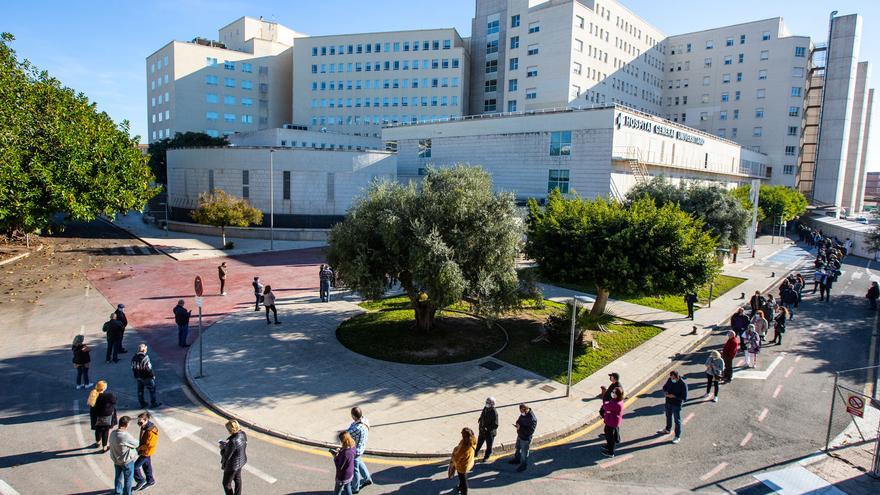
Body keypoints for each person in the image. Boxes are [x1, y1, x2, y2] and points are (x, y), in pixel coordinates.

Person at [110, 415, 139, 495]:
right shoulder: (125, 436)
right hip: (126, 461)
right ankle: (127, 493)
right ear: (126, 424)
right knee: (128, 480)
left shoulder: (113, 433)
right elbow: (136, 444)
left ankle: (118, 492)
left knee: (118, 477)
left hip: (116, 460)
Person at [347, 407, 373, 492]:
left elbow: (347, 435)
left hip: (355, 450)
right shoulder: (365, 420)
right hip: (361, 447)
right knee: (360, 462)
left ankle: (355, 488)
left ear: (354, 416)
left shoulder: (357, 428)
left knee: (355, 470)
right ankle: (367, 478)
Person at [658, 370, 688, 444]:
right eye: (671, 378)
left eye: (673, 378)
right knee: (668, 416)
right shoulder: (670, 380)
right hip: (668, 402)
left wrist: (674, 396)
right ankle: (667, 429)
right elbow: (664, 387)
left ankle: (677, 436)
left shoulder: (683, 384)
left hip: (676, 404)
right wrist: (665, 392)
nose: (672, 379)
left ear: (677, 377)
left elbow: (684, 397)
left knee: (677, 420)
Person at [220, 420, 247, 495]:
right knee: (237, 478)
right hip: (241, 461)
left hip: (232, 466)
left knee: (226, 484)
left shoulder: (233, 441)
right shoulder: (243, 433)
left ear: (230, 429)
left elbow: (226, 456)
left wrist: (222, 449)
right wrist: (227, 445)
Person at [88, 380, 117, 452]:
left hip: (96, 417)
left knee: (98, 430)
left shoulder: (93, 395)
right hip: (106, 417)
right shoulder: (109, 396)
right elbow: (114, 401)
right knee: (105, 431)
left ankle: (97, 443)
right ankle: (105, 447)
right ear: (103, 388)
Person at [133, 412, 159, 491]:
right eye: (138, 422)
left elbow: (149, 444)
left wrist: (139, 448)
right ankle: (150, 481)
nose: (139, 424)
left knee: (135, 467)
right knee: (147, 466)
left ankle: (141, 480)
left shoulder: (150, 431)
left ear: (146, 420)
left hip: (146, 452)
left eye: (140, 422)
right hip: (146, 451)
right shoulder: (145, 426)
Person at [509, 403, 537, 472]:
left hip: (525, 439)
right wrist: (517, 423)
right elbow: (519, 420)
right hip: (520, 435)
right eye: (520, 411)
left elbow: (530, 431)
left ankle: (523, 465)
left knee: (524, 453)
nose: (521, 413)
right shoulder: (523, 414)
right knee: (517, 448)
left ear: (526, 409)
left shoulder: (532, 419)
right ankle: (517, 459)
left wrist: (520, 427)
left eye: (522, 411)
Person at [131, 344, 160, 408]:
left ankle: (142, 403)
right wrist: (152, 375)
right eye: (146, 349)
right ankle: (153, 403)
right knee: (152, 390)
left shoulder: (134, 358)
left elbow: (133, 368)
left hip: (138, 377)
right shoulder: (145, 358)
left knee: (140, 390)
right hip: (147, 377)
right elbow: (149, 369)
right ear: (144, 350)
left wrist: (136, 376)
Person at [449, 427, 476, 494]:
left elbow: (456, 459)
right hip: (469, 462)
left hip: (462, 467)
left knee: (463, 480)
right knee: (463, 478)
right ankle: (461, 487)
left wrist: (452, 463)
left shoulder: (463, 449)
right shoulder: (473, 440)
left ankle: (464, 492)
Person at [331, 431, 356, 495]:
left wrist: (335, 457)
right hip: (350, 472)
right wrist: (341, 450)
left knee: (336, 493)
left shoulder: (345, 453)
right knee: (347, 487)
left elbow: (340, 467)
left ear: (343, 440)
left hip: (343, 476)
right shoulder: (353, 445)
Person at [601, 388, 624, 457]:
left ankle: (610, 452)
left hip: (612, 422)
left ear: (618, 395)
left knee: (610, 437)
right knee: (607, 432)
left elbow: (606, 406)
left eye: (614, 393)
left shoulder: (617, 404)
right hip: (611, 420)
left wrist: (605, 401)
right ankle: (608, 446)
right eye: (613, 391)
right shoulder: (617, 400)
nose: (613, 393)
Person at [475, 397, 498, 462]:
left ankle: (487, 456)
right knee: (479, 443)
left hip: (489, 433)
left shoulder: (494, 412)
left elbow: (495, 425)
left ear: (492, 404)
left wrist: (487, 428)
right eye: (486, 402)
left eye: (488, 402)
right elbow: (483, 414)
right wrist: (480, 418)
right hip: (482, 430)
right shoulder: (485, 408)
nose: (487, 403)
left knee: (489, 446)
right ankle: (475, 453)